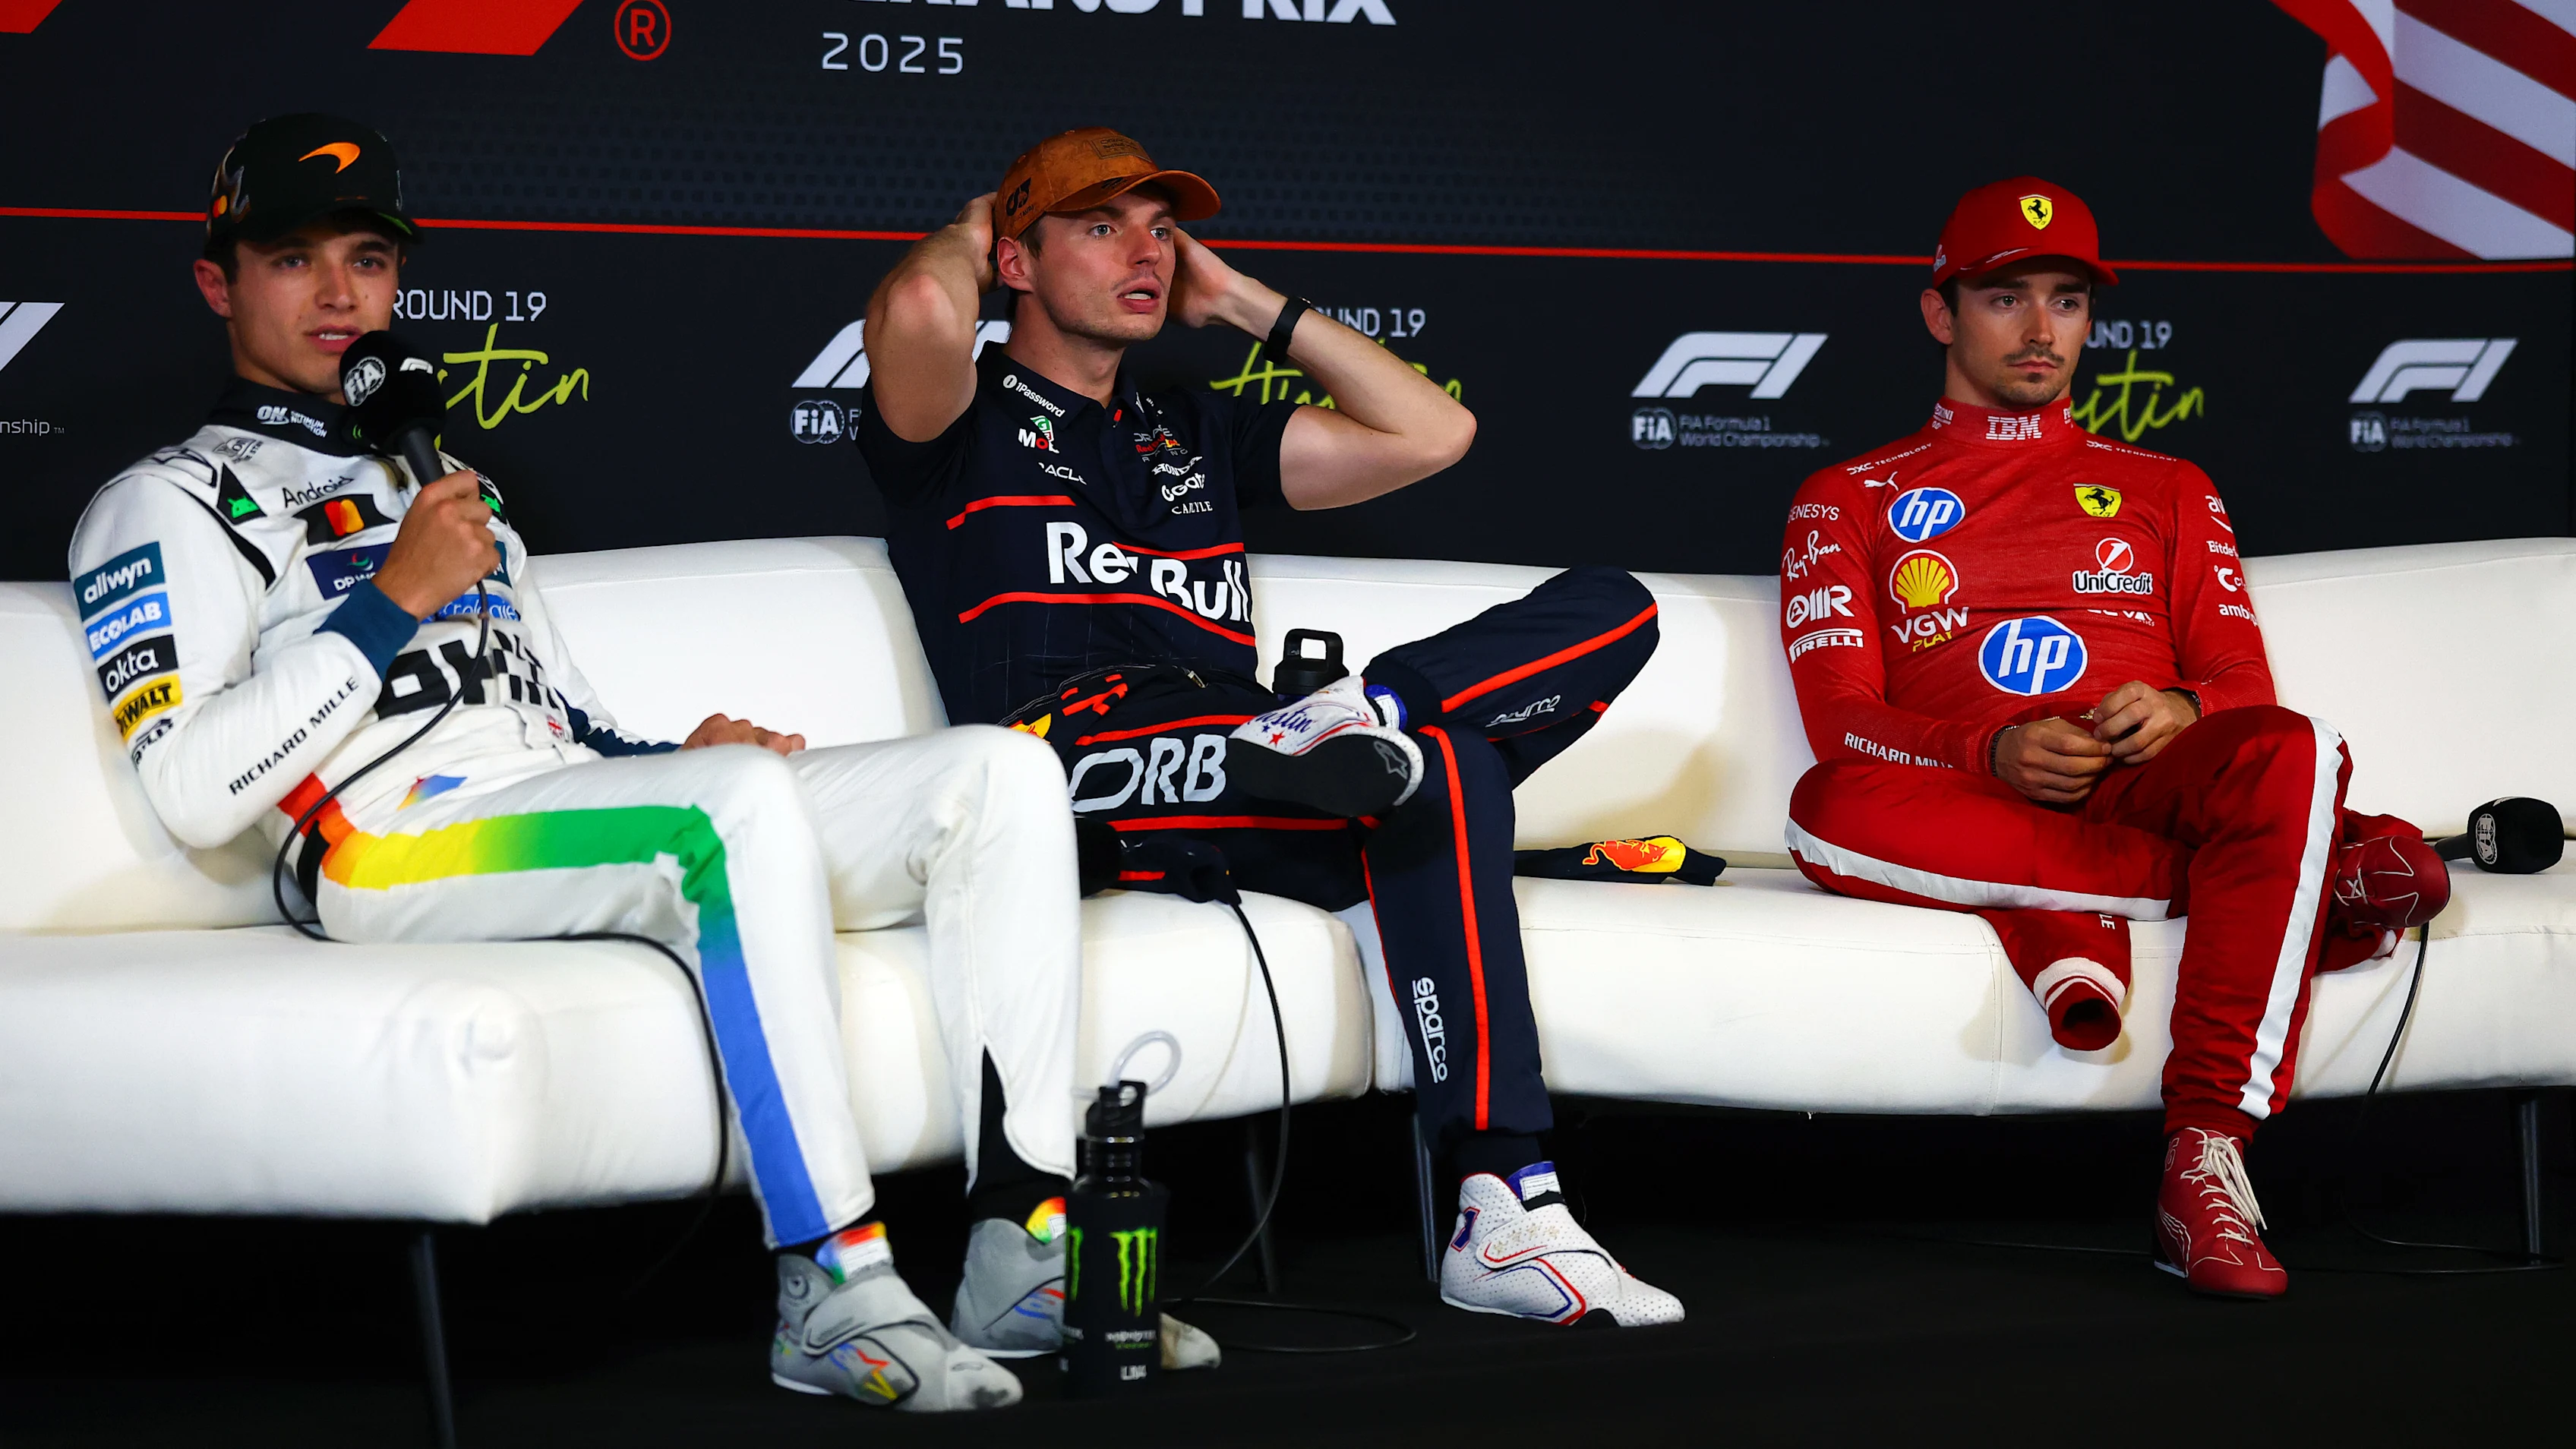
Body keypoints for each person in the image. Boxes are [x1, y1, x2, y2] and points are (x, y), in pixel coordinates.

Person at [63, 113, 1194, 1412]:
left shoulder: (447, 480)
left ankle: (1026, 1253)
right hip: (379, 847)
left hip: (532, 803)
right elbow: (192, 789)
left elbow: (559, 719)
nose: (338, 294)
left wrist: (676, 757)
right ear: (218, 283)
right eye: (290, 259)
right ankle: (834, 1285)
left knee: (998, 777)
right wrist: (389, 602)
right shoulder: (165, 501)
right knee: (730, 815)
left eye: (366, 260)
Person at [853, 128, 1681, 1330]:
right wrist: (980, 228)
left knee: (1615, 608)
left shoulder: (1192, 428)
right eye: (1101, 227)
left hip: (1259, 751)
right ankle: (1500, 1187)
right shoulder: (956, 423)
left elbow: (1434, 435)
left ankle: (1377, 715)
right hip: (1069, 764)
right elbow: (926, 306)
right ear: (1016, 264)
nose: (1145, 252)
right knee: (1446, 772)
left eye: (1161, 231)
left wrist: (1241, 300)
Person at [1776, 177, 2451, 1298]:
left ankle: (2206, 1156)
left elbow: (2241, 683)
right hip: (1976, 803)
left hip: (2143, 787)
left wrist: (2186, 709)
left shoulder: (2168, 484)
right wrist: (1989, 750)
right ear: (1940, 313)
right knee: (1825, 810)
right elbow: (1840, 721)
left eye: (2068, 300)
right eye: (2006, 299)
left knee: (2294, 748)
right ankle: (2296, 881)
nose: (2042, 330)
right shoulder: (1845, 494)